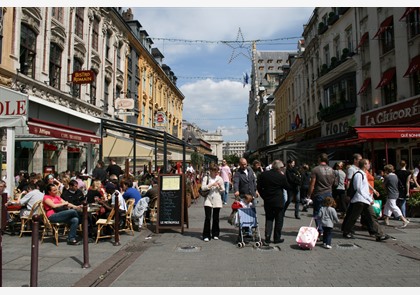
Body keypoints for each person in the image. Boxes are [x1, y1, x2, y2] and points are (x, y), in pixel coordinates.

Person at [341, 159, 389, 241]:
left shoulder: (363, 174)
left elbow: (366, 184)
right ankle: (346, 231)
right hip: (359, 200)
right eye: (368, 164)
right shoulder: (358, 175)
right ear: (364, 165)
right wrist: (369, 198)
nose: (369, 165)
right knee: (353, 217)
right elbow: (359, 188)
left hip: (364, 200)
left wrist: (373, 190)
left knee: (371, 216)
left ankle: (379, 234)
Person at [257, 160, 290, 245]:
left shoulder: (264, 174)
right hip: (278, 201)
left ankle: (267, 237)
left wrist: (264, 196)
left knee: (269, 219)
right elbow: (287, 187)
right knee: (279, 220)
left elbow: (259, 187)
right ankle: (277, 238)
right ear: (279, 168)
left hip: (268, 200)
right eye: (282, 168)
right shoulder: (281, 176)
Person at [307, 153, 336, 236]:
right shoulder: (331, 170)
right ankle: (327, 230)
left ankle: (320, 230)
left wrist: (309, 195)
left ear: (319, 159)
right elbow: (334, 182)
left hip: (319, 193)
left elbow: (312, 184)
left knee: (317, 212)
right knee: (327, 213)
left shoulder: (315, 169)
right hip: (329, 193)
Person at [200, 163, 224, 242]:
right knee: (208, 217)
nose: (216, 173)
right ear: (210, 171)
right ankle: (206, 235)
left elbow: (223, 190)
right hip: (208, 199)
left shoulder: (220, 178)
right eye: (214, 171)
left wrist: (219, 187)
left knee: (216, 218)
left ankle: (215, 233)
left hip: (217, 199)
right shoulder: (206, 178)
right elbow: (203, 188)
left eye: (217, 171)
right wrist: (211, 185)